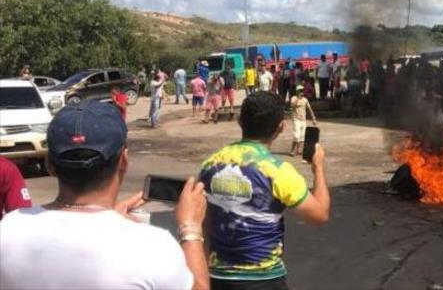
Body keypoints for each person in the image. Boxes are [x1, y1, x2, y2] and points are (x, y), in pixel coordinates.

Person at [0, 100, 209, 290]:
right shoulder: (151, 246)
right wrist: (190, 228)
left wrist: (108, 216)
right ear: (124, 162)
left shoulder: (8, 228)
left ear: (49, 164)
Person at [199, 92, 330, 290]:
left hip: (217, 277)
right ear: (281, 127)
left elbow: (202, 221)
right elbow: (319, 215)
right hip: (264, 278)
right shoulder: (278, 170)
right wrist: (318, 168)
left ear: (239, 121)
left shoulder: (210, 164)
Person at [290, 85, 318, 157]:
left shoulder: (305, 100)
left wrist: (313, 118)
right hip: (296, 119)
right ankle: (292, 150)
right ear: (297, 91)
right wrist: (298, 98)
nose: (301, 92)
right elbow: (292, 105)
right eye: (300, 91)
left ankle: (298, 150)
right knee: (296, 135)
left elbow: (309, 109)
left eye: (302, 90)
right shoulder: (294, 98)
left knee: (302, 136)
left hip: (303, 119)